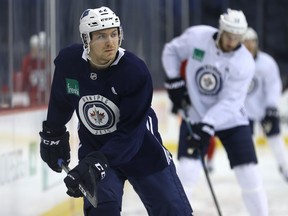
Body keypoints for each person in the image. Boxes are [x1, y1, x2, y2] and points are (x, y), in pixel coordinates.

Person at [39, 6, 193, 216]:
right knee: (102, 212)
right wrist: (53, 133)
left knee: (173, 212)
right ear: (86, 39)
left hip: (142, 150)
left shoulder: (134, 72)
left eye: (114, 33)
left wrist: (95, 164)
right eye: (101, 36)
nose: (111, 42)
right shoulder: (69, 63)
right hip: (96, 148)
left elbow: (131, 135)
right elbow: (61, 100)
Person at [162, 8, 269, 215]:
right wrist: (174, 80)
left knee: (250, 175)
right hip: (194, 114)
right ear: (221, 30)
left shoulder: (244, 62)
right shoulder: (198, 37)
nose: (232, 42)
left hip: (232, 120)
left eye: (238, 37)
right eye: (229, 36)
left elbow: (231, 102)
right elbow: (171, 51)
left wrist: (208, 124)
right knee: (186, 174)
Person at [243, 27, 288, 181]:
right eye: (245, 42)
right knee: (247, 144)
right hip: (243, 112)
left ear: (256, 43)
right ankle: (251, 175)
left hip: (264, 110)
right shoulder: (234, 62)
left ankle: (285, 167)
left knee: (275, 139)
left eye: (251, 42)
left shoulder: (266, 63)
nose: (249, 46)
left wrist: (271, 106)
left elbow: (274, 85)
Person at [21, 31, 48, 106]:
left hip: (46, 99)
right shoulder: (28, 61)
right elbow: (24, 81)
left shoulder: (49, 61)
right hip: (32, 100)